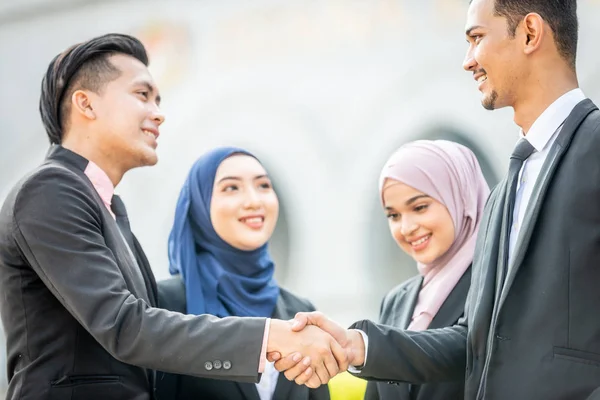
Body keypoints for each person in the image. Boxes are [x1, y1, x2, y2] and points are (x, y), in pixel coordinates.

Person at [274, 0, 600, 398]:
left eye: (477, 38)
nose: (468, 61)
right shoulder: (501, 196)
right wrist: (357, 345)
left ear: (530, 33)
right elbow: (473, 345)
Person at [0, 33, 348, 400]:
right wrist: (268, 336)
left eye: (158, 99)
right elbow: (123, 325)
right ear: (86, 104)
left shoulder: (111, 211)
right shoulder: (51, 189)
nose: (158, 113)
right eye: (142, 95)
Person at [155, 147, 329, 400]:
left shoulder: (299, 312)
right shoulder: (165, 304)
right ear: (200, 205)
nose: (254, 201)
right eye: (231, 188)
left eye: (263, 186)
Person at [364, 140, 489, 400]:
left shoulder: (496, 285)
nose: (406, 227)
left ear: (461, 197)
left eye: (419, 207)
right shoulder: (396, 301)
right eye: (393, 215)